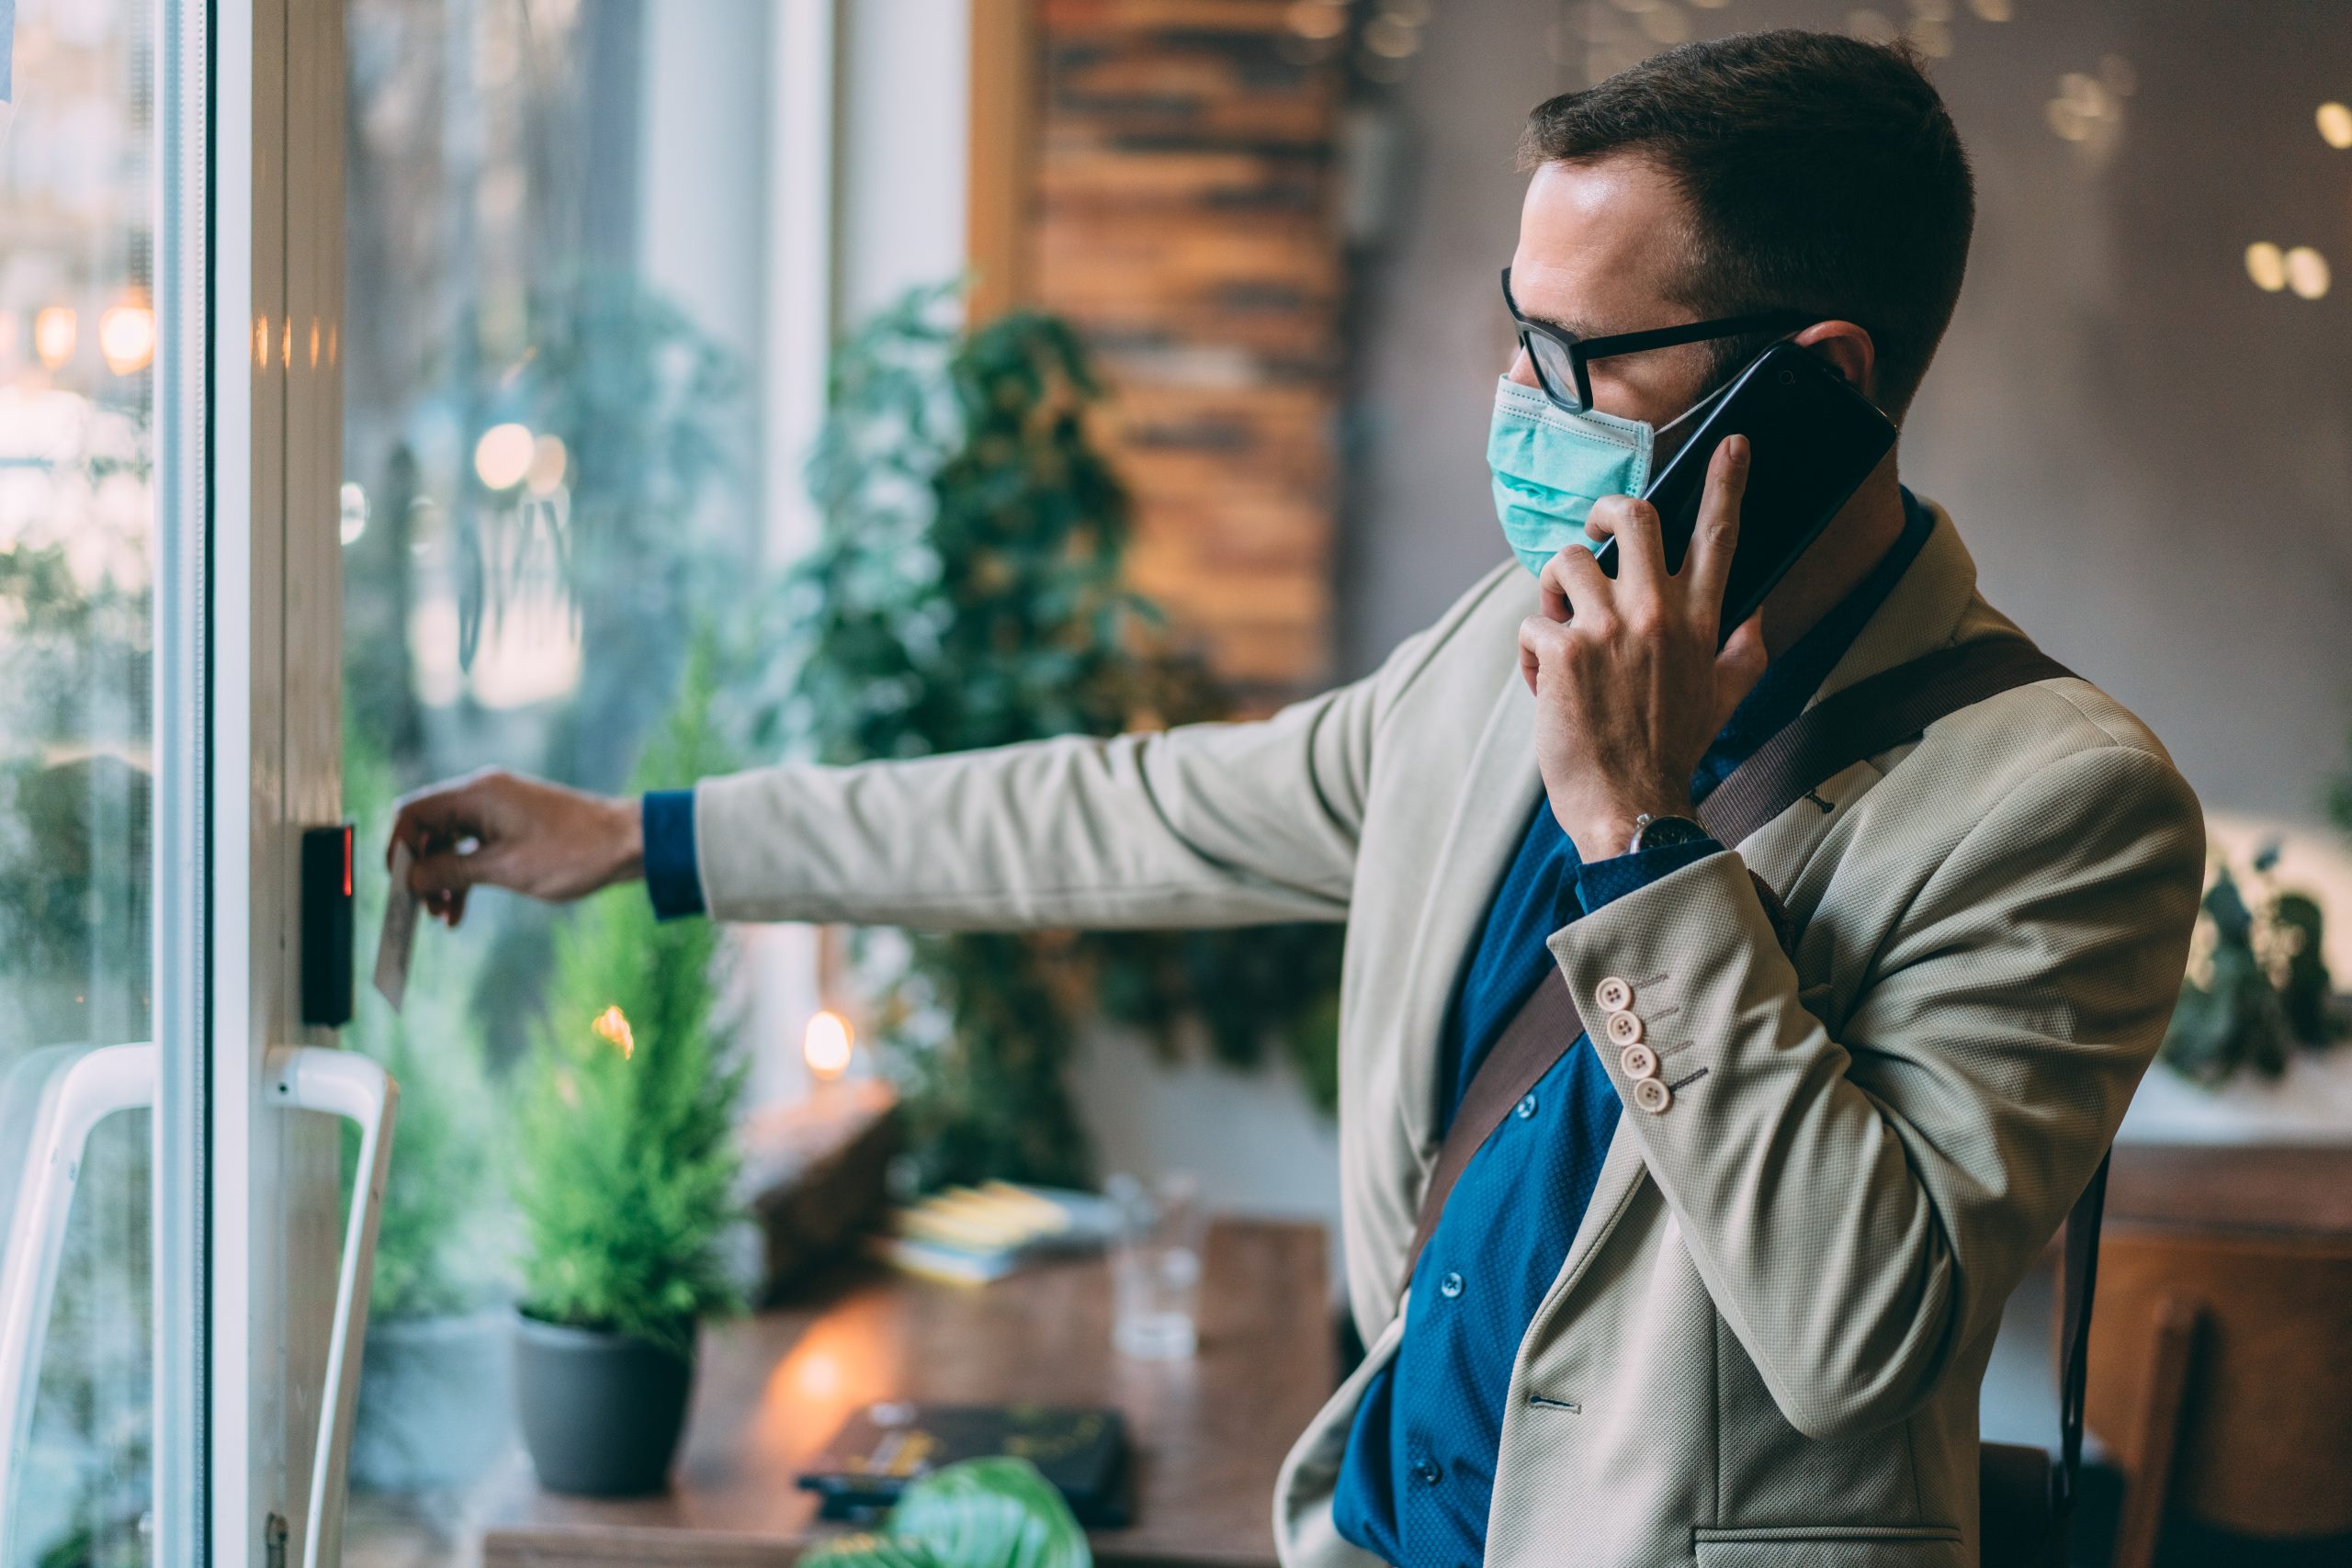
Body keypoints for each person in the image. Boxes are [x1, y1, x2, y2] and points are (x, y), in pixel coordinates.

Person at [391, 30, 2203, 1568]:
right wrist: (652, 837)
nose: (1518, 400)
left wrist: (1638, 841)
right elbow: (1123, 810)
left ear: (1810, 388)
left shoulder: (2059, 805)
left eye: (1582, 359)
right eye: (1516, 329)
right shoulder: (1501, 653)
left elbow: (1850, 1329)